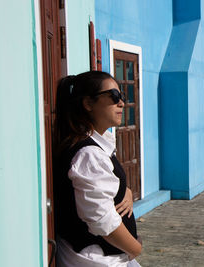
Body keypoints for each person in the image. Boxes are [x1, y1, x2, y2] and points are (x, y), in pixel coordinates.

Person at [53, 71, 142, 267]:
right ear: (88, 103)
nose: (121, 103)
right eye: (114, 96)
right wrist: (136, 249)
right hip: (98, 260)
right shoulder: (88, 154)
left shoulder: (95, 144)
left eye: (122, 96)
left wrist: (125, 191)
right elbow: (102, 221)